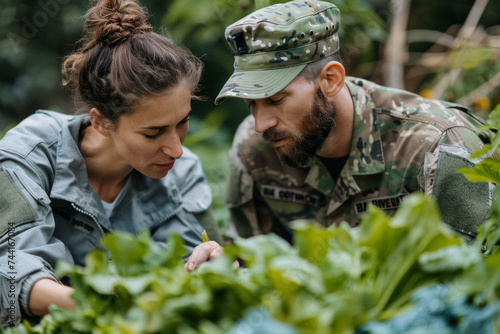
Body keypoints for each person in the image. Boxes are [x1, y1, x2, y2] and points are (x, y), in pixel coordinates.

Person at [0, 0, 222, 326]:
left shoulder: (183, 173)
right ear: (101, 122)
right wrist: (118, 304)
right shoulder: (28, 156)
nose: (176, 149)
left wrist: (214, 262)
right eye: (153, 133)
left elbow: (203, 271)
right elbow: (11, 268)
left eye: (182, 123)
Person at [216, 0, 492, 243]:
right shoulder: (255, 147)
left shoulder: (435, 143)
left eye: (276, 100)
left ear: (330, 80)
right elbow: (250, 257)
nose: (260, 124)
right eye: (251, 104)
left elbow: (472, 278)